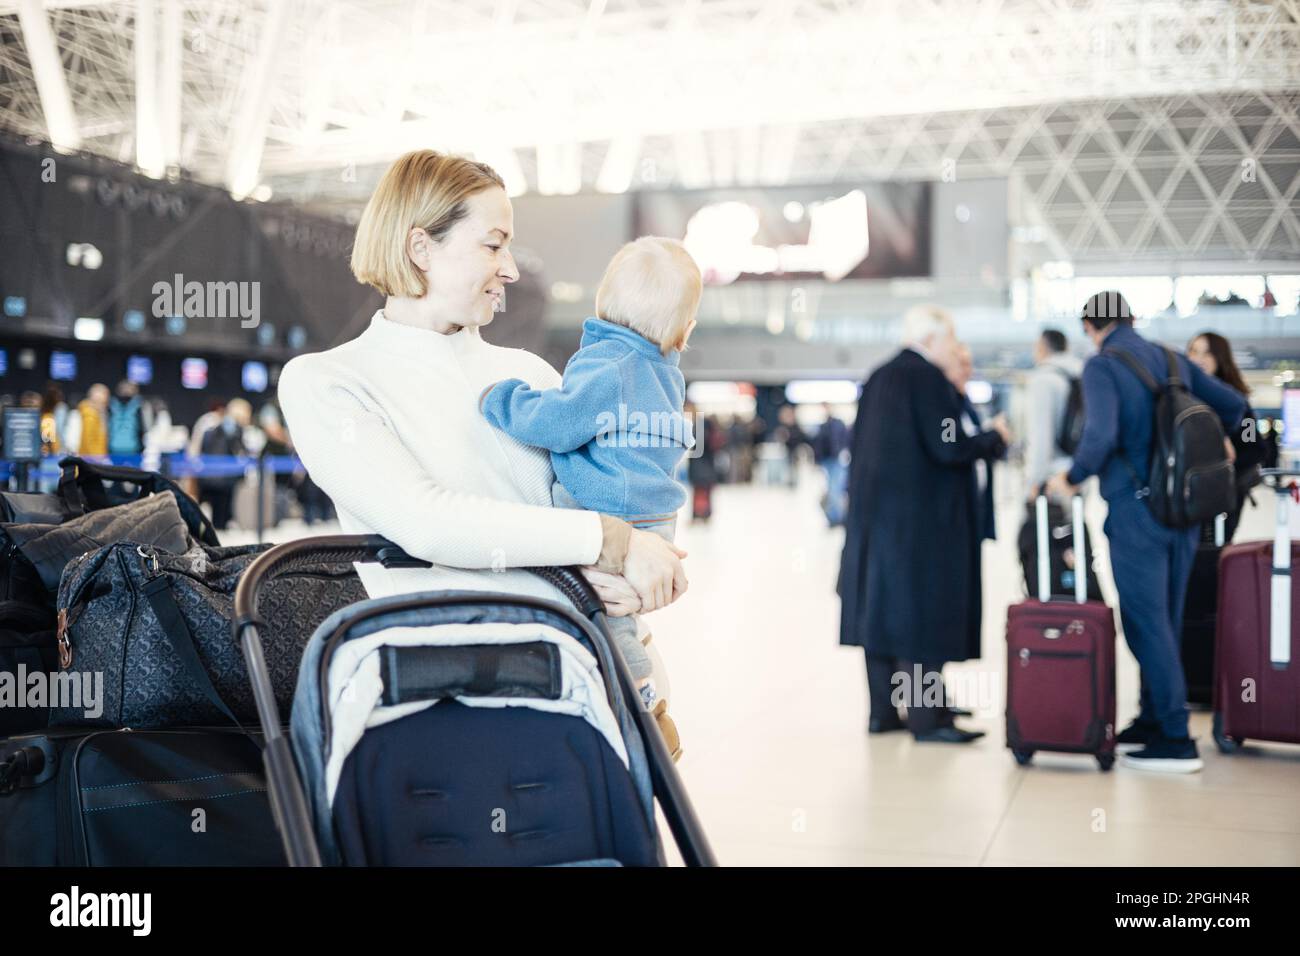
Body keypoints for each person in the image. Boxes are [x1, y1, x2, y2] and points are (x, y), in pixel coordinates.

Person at [277, 149, 687, 762]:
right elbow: (429, 522)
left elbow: (603, 495)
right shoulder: (327, 381)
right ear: (421, 248)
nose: (512, 269)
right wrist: (612, 541)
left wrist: (639, 564)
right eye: (493, 245)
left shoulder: (528, 374)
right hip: (455, 707)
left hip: (591, 681)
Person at [480, 235, 698, 741]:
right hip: (657, 515)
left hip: (610, 509)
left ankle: (638, 693)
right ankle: (640, 691)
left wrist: (504, 400)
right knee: (623, 607)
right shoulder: (665, 372)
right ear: (683, 333)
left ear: (602, 303)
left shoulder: (608, 365)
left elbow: (557, 422)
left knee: (607, 614)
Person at [1045, 292, 1246, 773]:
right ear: (1132, 318)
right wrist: (1220, 440)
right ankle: (1152, 720)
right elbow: (1235, 404)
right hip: (1182, 512)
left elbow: (1101, 435)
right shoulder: (1173, 359)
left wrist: (1070, 479)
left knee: (1144, 622)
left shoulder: (1102, 365)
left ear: (1091, 325)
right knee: (1165, 621)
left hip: (1137, 513)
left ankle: (1176, 738)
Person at [838, 305, 1010, 743]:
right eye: (951, 341)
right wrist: (992, 439)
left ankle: (882, 713)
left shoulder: (878, 377)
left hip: (873, 523)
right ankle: (927, 718)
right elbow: (948, 445)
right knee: (920, 620)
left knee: (878, 618)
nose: (953, 350)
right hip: (921, 527)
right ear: (933, 340)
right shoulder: (928, 379)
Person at [1186, 331, 1266, 542]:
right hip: (1186, 498)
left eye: (1208, 353)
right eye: (1194, 351)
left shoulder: (1239, 403)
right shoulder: (1180, 399)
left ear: (1220, 358)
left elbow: (1254, 446)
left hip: (1224, 498)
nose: (1199, 359)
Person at [1024, 328, 1084, 497]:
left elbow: (1040, 435)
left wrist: (1034, 480)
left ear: (1042, 347)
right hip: (1079, 470)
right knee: (1076, 522)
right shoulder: (1083, 374)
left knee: (1048, 523)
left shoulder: (1043, 379)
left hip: (1052, 478)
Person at [198, 398, 251, 530]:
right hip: (224, 478)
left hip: (210, 475)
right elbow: (239, 450)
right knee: (221, 515)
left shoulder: (212, 429)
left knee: (216, 514)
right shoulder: (234, 429)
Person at [812, 402, 851, 527]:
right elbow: (818, 445)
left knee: (836, 489)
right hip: (827, 460)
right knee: (831, 488)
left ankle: (838, 517)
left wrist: (844, 453)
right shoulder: (822, 426)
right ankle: (834, 517)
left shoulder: (838, 424)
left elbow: (845, 440)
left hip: (837, 460)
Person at [65, 383, 110, 456]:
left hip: (93, 458)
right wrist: (99, 459)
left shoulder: (96, 413)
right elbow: (88, 441)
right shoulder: (90, 415)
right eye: (103, 402)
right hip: (91, 459)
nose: (105, 405)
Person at [108, 380, 145, 457]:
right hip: (113, 449)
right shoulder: (110, 406)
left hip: (134, 449)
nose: (126, 391)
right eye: (124, 388)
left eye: (129, 389)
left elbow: (142, 429)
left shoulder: (139, 406)